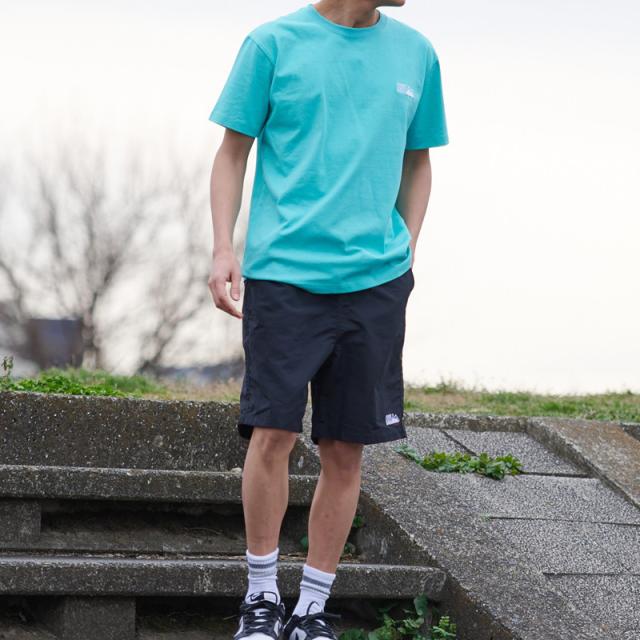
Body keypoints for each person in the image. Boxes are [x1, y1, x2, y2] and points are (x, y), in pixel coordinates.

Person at [207, 1, 448, 639]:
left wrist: (407, 249)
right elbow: (232, 152)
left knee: (345, 448)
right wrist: (224, 247)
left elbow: (418, 159)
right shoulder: (271, 44)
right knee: (272, 434)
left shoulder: (417, 53)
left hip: (375, 284)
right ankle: (261, 600)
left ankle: (311, 609)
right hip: (284, 275)